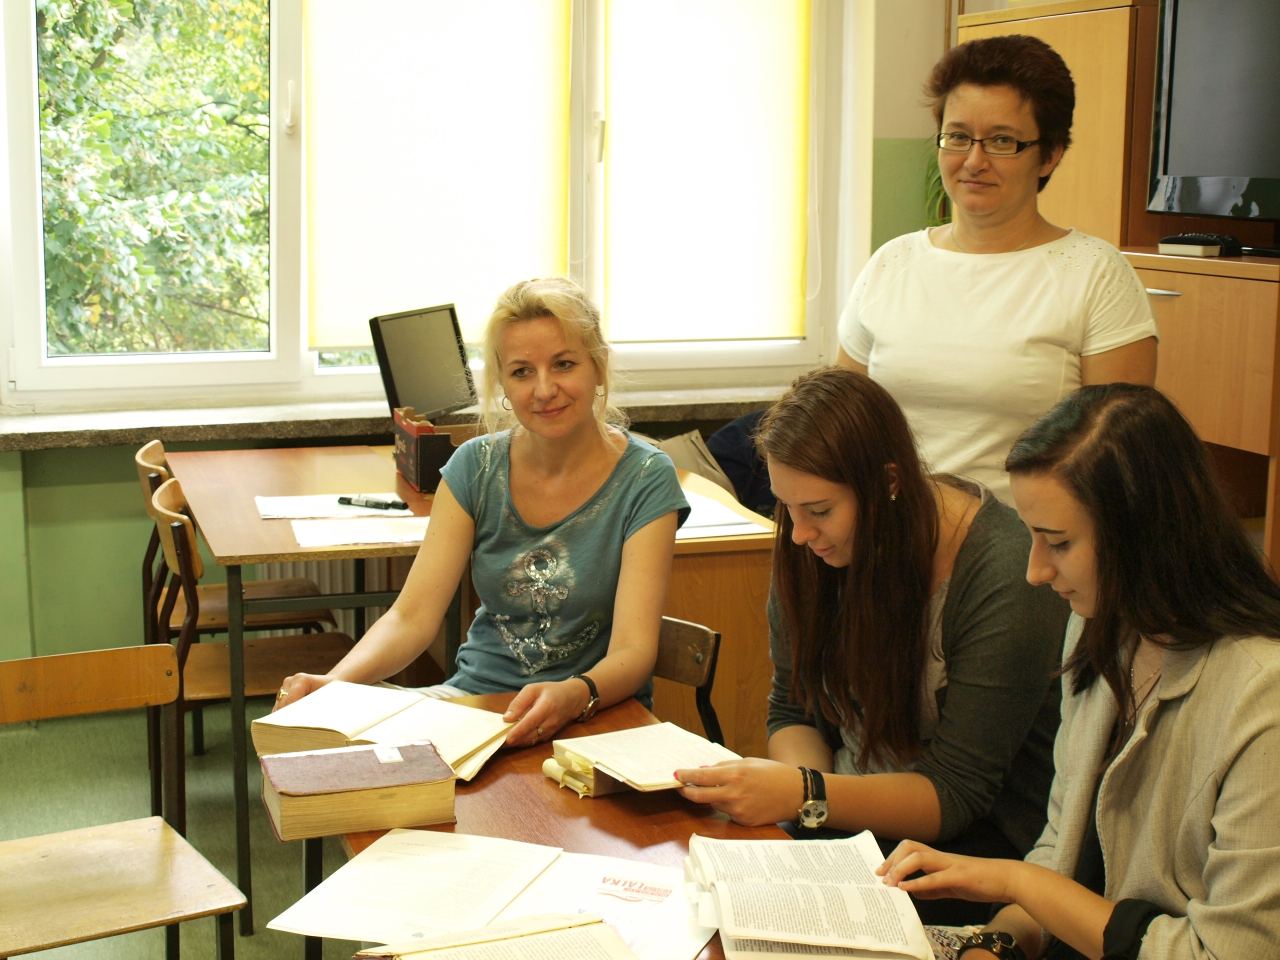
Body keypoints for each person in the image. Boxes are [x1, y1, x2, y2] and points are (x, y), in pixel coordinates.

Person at [879, 384, 1280, 959]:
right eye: (1032, 537)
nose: (1035, 572)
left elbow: (1227, 953)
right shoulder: (1103, 630)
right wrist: (995, 944)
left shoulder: (1262, 695)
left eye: (1059, 543)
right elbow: (1060, 850)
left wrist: (1015, 882)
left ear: (1143, 535)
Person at [675, 368, 1068, 924]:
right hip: (841, 826)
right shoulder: (809, 540)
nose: (799, 534)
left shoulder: (1003, 574)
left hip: (966, 855)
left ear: (888, 483)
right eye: (786, 508)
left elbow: (956, 794)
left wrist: (804, 794)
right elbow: (793, 708)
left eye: (820, 511)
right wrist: (805, 807)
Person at [275, 278, 688, 745]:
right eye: (522, 371)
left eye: (564, 364)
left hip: (594, 717)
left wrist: (575, 693)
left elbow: (634, 651)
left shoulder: (646, 477)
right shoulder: (475, 466)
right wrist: (335, 683)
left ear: (598, 366)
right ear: (502, 383)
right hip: (474, 708)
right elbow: (411, 618)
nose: (544, 389)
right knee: (330, 753)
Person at [837, 34, 1157, 503]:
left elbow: (1117, 462)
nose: (974, 161)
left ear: (1049, 155)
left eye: (1002, 141)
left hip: (1029, 539)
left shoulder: (1096, 273)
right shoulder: (892, 262)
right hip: (895, 531)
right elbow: (842, 423)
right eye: (958, 136)